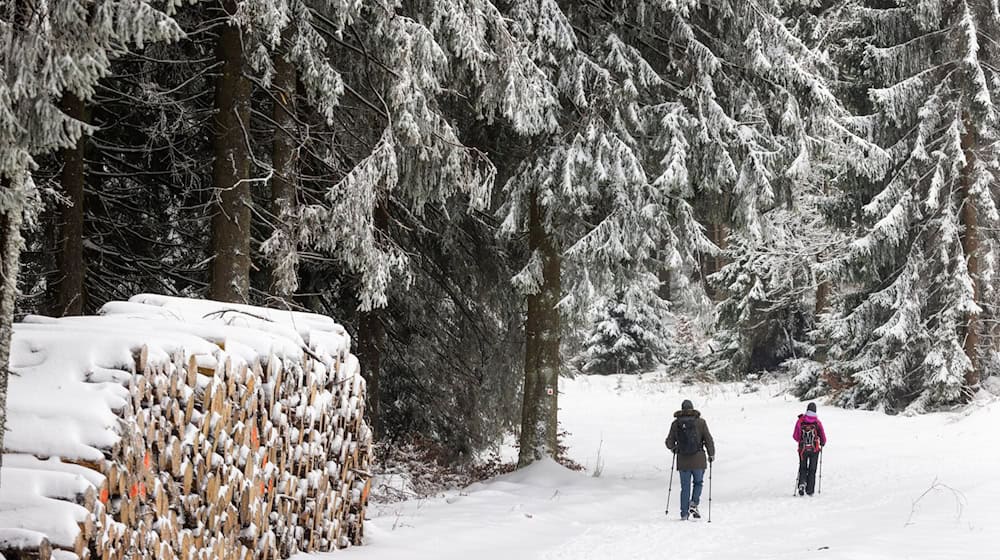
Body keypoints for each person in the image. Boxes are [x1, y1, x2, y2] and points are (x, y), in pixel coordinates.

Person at [665, 399, 715, 520]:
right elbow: (708, 439)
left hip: (683, 461)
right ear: (692, 408)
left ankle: (684, 514)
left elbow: (669, 442)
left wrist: (674, 448)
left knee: (685, 487)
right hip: (698, 459)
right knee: (698, 483)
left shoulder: (675, 423)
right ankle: (694, 503)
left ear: (682, 409)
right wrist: (711, 454)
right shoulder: (701, 422)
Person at [793, 402, 827, 496]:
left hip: (802, 449)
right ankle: (810, 490)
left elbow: (795, 436)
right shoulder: (817, 422)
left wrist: (800, 440)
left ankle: (802, 483)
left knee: (803, 467)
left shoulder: (800, 421)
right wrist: (823, 442)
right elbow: (823, 436)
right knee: (812, 469)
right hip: (814, 449)